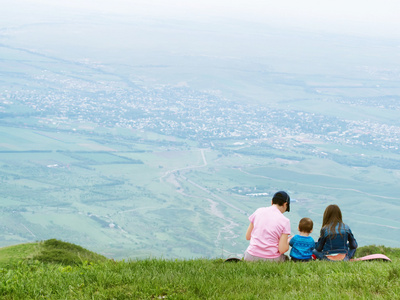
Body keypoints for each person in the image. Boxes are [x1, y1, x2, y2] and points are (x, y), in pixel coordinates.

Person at [244, 191, 291, 262]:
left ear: (272, 202)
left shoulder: (258, 211)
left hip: (250, 257)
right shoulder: (285, 221)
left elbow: (248, 236)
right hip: (272, 259)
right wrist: (287, 241)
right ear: (285, 204)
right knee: (285, 259)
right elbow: (282, 249)